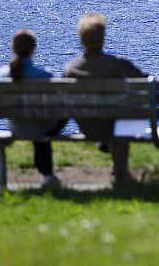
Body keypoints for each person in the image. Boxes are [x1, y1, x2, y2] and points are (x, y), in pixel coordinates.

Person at [62, 13, 146, 185]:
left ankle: (114, 161)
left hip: (87, 126)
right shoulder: (116, 64)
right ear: (103, 39)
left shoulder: (70, 69)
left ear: (81, 40)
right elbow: (145, 80)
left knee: (108, 114)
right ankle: (121, 172)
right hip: (115, 126)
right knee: (122, 113)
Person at [0, 29, 63, 187]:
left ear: (13, 48)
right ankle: (48, 175)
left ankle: (47, 174)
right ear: (33, 49)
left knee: (33, 118)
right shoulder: (45, 76)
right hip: (42, 126)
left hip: (16, 126)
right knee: (55, 115)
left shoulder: (1, 75)